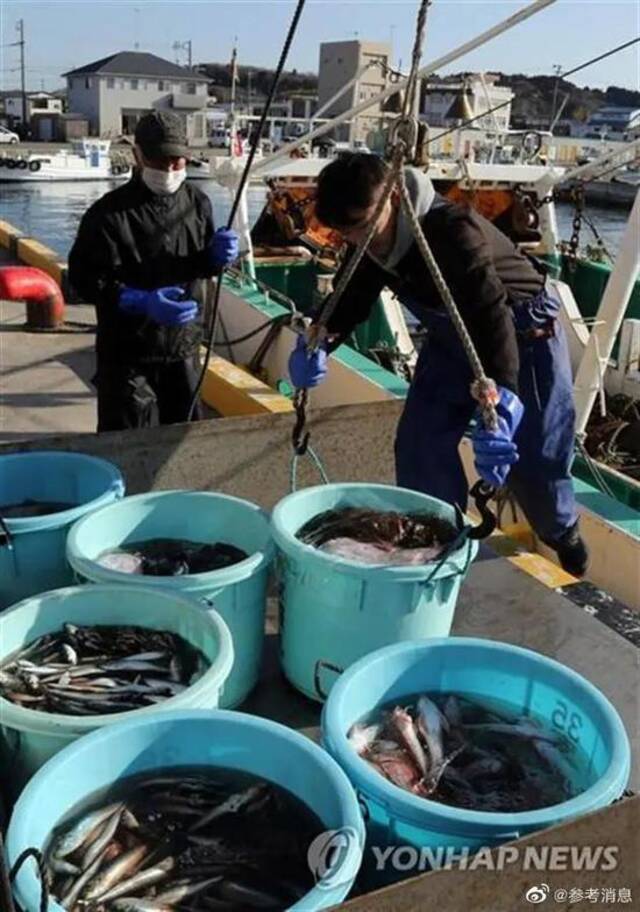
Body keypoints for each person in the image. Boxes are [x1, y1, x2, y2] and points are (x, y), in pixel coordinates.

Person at [288, 153, 588, 576]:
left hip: (523, 332)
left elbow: (490, 312)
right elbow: (350, 296)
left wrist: (503, 394)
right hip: (450, 337)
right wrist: (320, 340)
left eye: (358, 226)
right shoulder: (369, 242)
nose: (354, 240)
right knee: (419, 443)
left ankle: (563, 533)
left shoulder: (452, 231)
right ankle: (436, 542)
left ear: (393, 196)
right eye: (344, 232)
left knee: (533, 460)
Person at [68, 111, 239, 432]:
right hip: (128, 357)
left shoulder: (198, 203)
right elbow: (83, 281)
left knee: (184, 442)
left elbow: (200, 264)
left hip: (184, 349)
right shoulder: (106, 214)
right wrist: (139, 300)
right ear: (138, 155)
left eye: (178, 162)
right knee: (127, 445)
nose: (170, 170)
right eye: (160, 162)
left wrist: (218, 257)